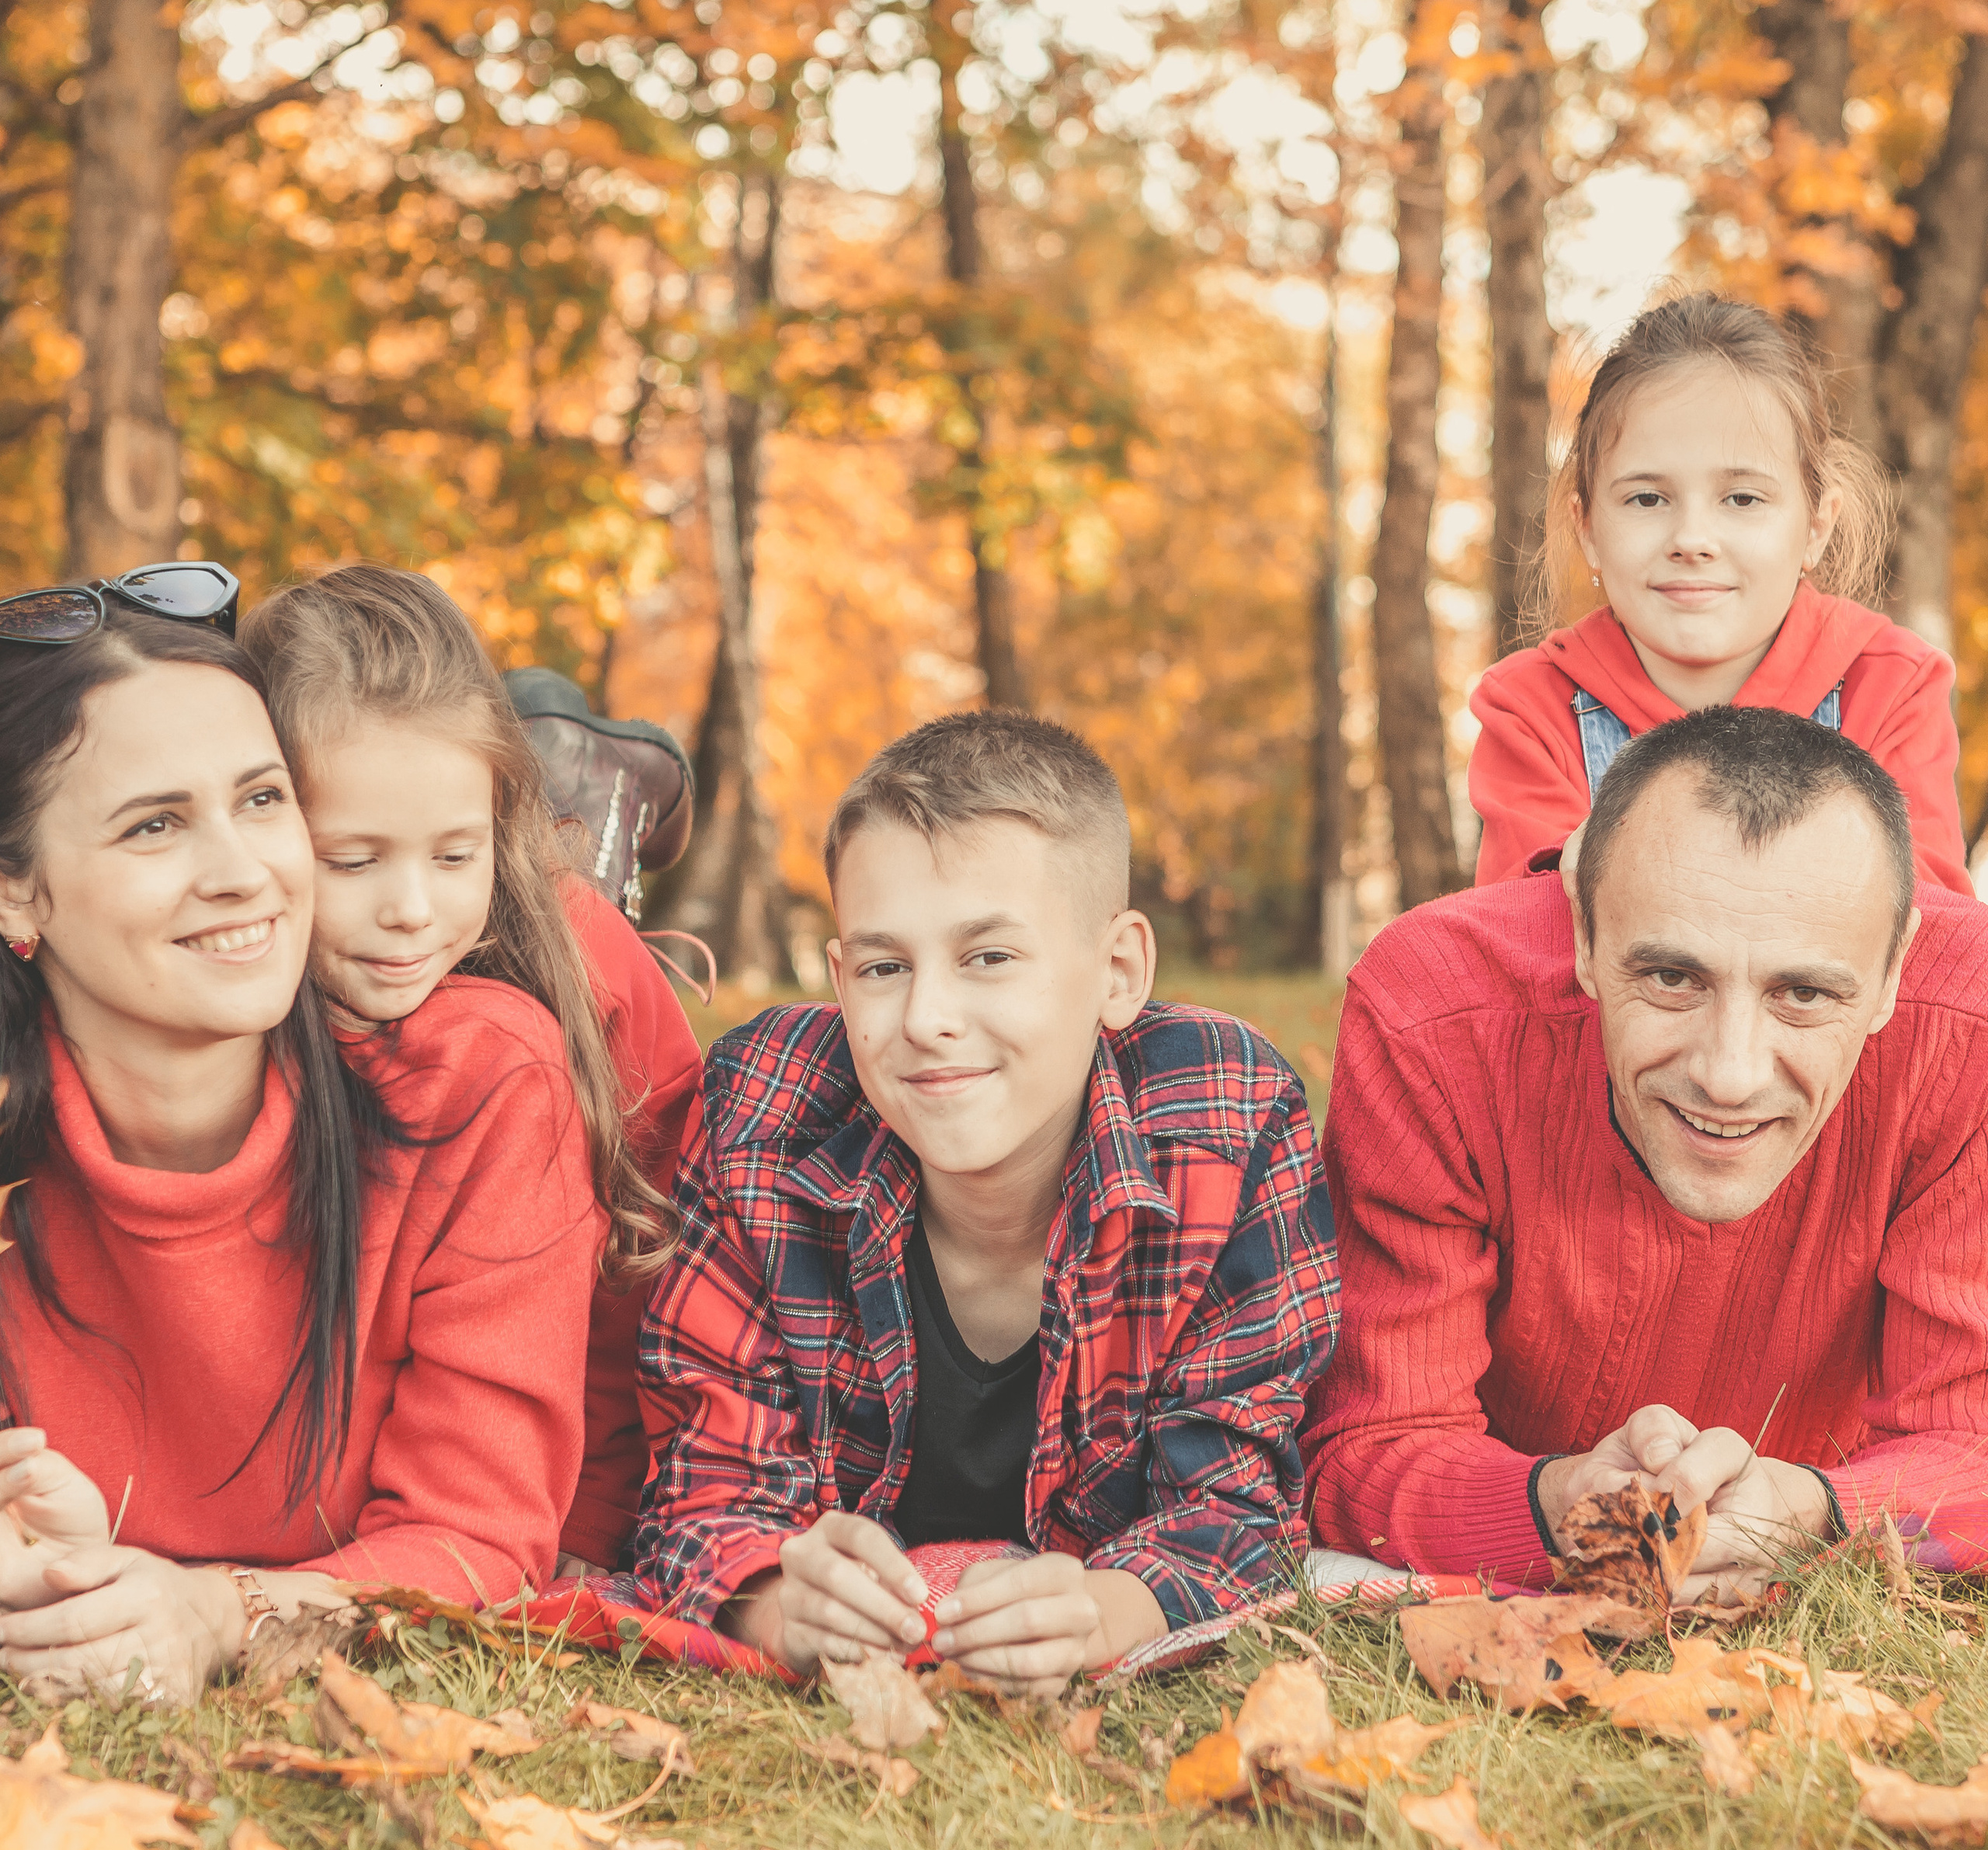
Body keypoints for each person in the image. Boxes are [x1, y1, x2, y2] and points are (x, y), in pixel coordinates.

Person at [634, 712, 1338, 1691]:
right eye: (884, 967)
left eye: (988, 958)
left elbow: (1235, 1499)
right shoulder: (763, 1110)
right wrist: (781, 1603)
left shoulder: (1224, 1121)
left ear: (1119, 970)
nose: (926, 1019)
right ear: (841, 979)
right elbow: (702, 1482)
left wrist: (1102, 1614)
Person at [0, 601, 600, 1702]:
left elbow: (475, 1537)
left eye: (263, 800)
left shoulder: (473, 1083)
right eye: (154, 826)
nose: (245, 873)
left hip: (582, 1017)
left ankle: (598, 801)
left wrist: (213, 1613)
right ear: (17, 888)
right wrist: (48, 1571)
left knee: (595, 944)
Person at [1305, 705, 1988, 1598]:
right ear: (1585, 937)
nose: (1730, 1075)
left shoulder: (1968, 1027)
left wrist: (1816, 1511)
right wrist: (1564, 1502)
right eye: (1671, 977)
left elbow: (1973, 1434)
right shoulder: (1435, 1015)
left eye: (1805, 993)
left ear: (1894, 968)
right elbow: (1365, 1445)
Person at [239, 568, 700, 1574]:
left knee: (565, 889)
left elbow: (643, 1285)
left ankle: (590, 779)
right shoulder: (236, 949)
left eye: (454, 854)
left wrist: (586, 1529)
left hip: (588, 1016)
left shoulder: (587, 974)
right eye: (351, 861)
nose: (408, 908)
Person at [1468, 294, 1969, 895]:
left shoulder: (1889, 691)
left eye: (1743, 499)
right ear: (1588, 529)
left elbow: (1930, 941)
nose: (1693, 540)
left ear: (1816, 526)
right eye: (1647, 499)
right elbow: (1515, 953)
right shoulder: (1531, 711)